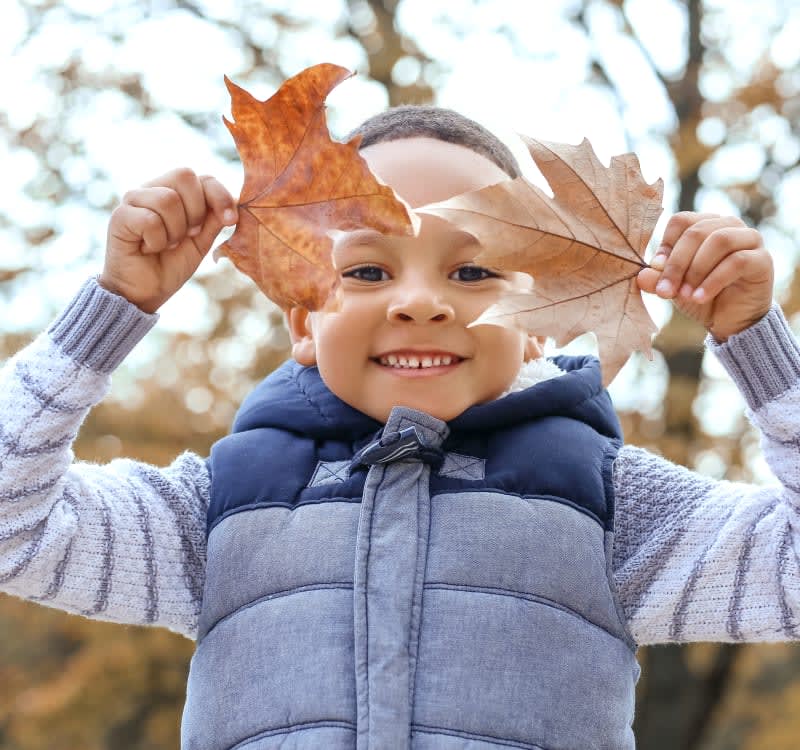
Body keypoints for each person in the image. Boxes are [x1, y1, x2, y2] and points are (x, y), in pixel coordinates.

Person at [0, 104, 797, 750]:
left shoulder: (612, 506)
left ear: (541, 326)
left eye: (474, 270)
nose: (419, 301)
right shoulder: (218, 506)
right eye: (368, 270)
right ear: (304, 324)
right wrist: (113, 310)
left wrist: (759, 345)